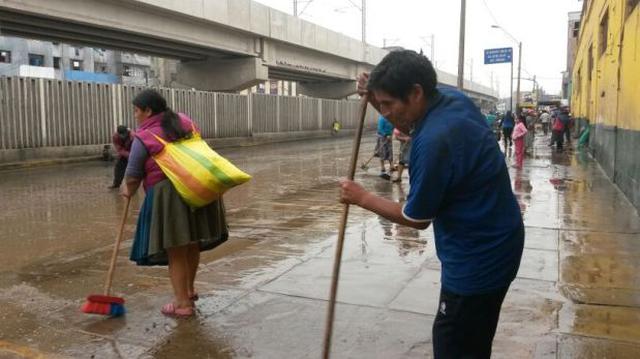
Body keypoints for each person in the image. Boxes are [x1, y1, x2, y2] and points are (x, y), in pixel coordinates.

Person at [340, 50, 524, 358]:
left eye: (388, 104)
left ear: (415, 92)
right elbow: (408, 122)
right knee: (474, 341)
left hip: (478, 258)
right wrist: (374, 96)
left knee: (454, 342)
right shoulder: (450, 99)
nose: (384, 112)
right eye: (379, 104)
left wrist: (362, 197)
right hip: (499, 238)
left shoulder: (435, 140)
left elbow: (417, 217)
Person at [121, 89, 228, 318]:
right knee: (192, 244)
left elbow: (132, 174)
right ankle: (188, 291)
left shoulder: (144, 135)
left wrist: (127, 190)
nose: (135, 116)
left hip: (169, 197)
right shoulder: (186, 122)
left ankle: (182, 305)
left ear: (148, 111)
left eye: (137, 111)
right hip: (197, 187)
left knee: (176, 251)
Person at [375, 115, 394, 179]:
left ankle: (391, 165)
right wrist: (385, 134)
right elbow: (380, 128)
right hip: (381, 136)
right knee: (382, 151)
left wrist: (391, 134)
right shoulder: (382, 118)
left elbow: (393, 127)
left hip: (389, 136)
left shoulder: (392, 118)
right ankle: (382, 167)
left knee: (390, 151)